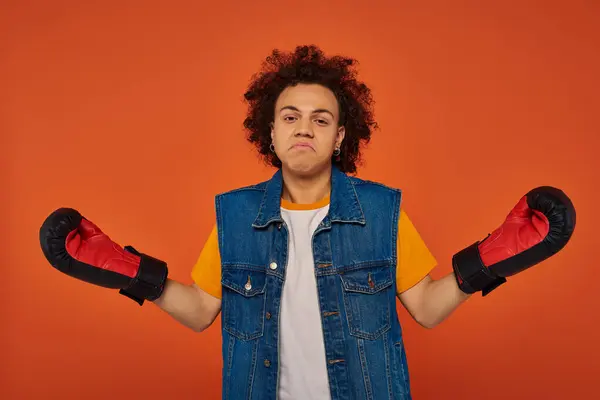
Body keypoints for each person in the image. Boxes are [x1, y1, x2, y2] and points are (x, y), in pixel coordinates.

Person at [39, 45, 576, 400]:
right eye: (290, 117)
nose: (305, 129)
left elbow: (428, 310)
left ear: (341, 136)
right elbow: (201, 311)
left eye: (322, 119)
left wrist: (490, 258)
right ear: (269, 132)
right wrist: (129, 272)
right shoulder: (235, 215)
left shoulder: (382, 212)